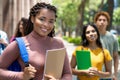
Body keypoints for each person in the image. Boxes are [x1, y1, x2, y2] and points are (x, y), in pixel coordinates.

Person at [0, 2, 72, 80]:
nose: (46, 24)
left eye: (51, 21)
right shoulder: (18, 44)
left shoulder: (59, 44)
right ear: (32, 18)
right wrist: (22, 76)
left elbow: (67, 73)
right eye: (42, 19)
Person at [94, 11, 119, 80]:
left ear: (107, 23)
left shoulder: (113, 38)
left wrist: (115, 74)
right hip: (94, 75)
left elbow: (116, 57)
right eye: (99, 20)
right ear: (96, 22)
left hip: (107, 75)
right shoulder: (91, 37)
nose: (102, 22)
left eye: (104, 20)